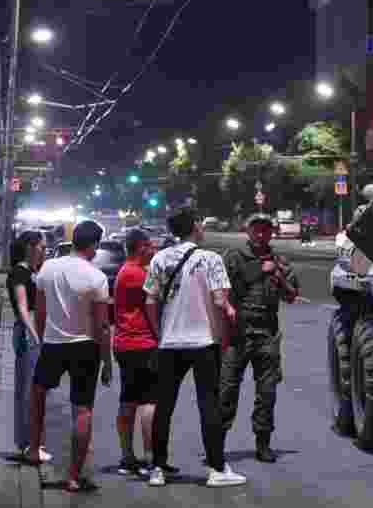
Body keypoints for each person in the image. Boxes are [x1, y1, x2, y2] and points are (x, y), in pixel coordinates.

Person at [143, 208, 245, 488]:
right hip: (204, 342)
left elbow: (150, 301)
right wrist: (224, 337)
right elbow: (220, 302)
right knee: (208, 405)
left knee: (164, 406)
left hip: (170, 343)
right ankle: (216, 468)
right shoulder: (210, 259)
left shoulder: (160, 258)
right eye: (199, 222)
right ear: (195, 227)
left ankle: (158, 468)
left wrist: (159, 333)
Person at [26, 220, 112, 493]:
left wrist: (43, 339)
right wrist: (107, 361)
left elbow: (40, 312)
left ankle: (33, 449)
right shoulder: (96, 278)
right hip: (85, 346)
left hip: (53, 343)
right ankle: (74, 476)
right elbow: (102, 326)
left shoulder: (48, 268)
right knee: (83, 409)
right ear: (94, 245)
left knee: (38, 393)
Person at [220, 213, 299, 463]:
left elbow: (291, 296)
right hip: (238, 334)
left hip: (267, 334)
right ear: (248, 231)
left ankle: (263, 442)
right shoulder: (234, 258)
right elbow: (220, 289)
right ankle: (217, 442)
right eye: (257, 229)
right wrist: (257, 270)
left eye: (266, 230)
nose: (261, 234)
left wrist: (279, 277)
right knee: (227, 390)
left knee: (267, 393)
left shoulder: (279, 261)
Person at [111, 228, 158, 476]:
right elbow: (159, 295)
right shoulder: (137, 274)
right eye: (150, 245)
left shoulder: (125, 272)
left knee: (128, 400)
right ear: (140, 247)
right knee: (148, 402)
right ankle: (151, 457)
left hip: (125, 343)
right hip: (142, 343)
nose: (154, 249)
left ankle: (127, 456)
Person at [6, 231, 52, 463]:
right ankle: (28, 444)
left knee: (34, 388)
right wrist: (35, 336)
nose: (45, 251)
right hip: (28, 332)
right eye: (42, 247)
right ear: (30, 248)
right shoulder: (19, 273)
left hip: (34, 331)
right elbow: (23, 309)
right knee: (29, 389)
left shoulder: (33, 272)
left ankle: (32, 441)